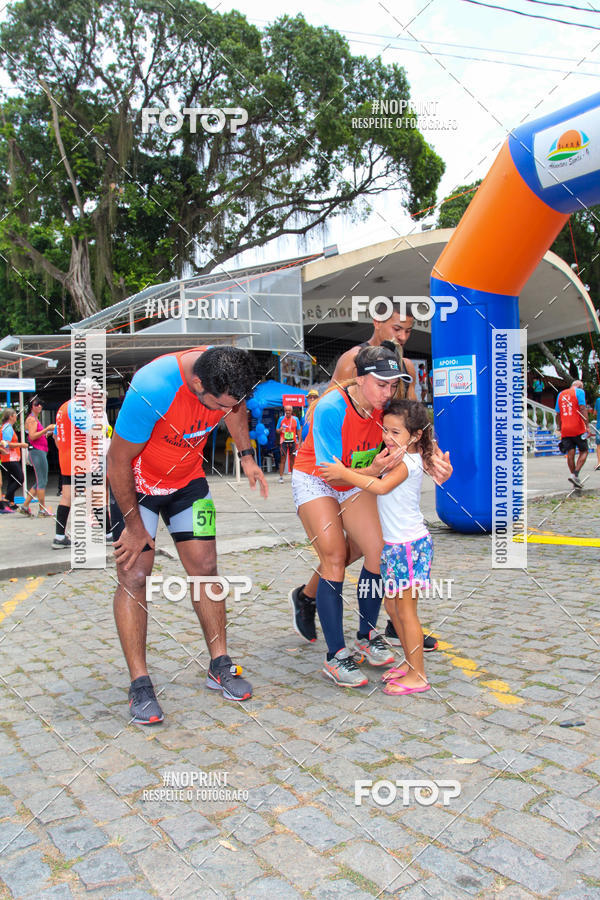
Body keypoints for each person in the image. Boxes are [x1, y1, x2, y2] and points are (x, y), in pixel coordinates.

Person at [107, 345, 267, 725]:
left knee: (206, 570)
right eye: (214, 404)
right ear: (197, 383)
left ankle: (219, 664)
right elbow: (117, 462)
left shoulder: (226, 376)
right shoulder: (154, 386)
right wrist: (133, 527)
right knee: (134, 576)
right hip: (138, 484)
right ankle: (140, 683)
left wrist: (245, 455)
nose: (217, 413)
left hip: (187, 483)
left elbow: (236, 407)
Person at [290, 345, 451, 687]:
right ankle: (336, 655)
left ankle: (366, 634)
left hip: (355, 475)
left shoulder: (385, 408)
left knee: (375, 551)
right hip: (318, 478)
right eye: (380, 384)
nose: (387, 392)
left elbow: (416, 438)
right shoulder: (332, 407)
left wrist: (437, 463)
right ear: (360, 379)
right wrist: (374, 468)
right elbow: (330, 472)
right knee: (334, 555)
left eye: (393, 385)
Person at [320, 398, 434, 695]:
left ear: (416, 435)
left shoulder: (409, 462)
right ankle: (410, 663)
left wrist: (345, 474)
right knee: (392, 606)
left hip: (409, 547)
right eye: (386, 429)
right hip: (396, 547)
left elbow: (381, 487)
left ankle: (418, 674)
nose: (387, 437)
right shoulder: (398, 456)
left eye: (396, 432)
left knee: (406, 612)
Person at [330, 299, 418, 399]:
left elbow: (414, 411)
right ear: (377, 322)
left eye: (408, 331)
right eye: (397, 329)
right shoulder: (353, 360)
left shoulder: (407, 366)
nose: (403, 337)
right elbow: (324, 408)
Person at [53, 379, 104, 548]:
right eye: (94, 396)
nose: (95, 400)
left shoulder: (63, 407)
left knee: (67, 497)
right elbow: (91, 430)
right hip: (82, 459)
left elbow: (56, 436)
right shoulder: (77, 408)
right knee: (97, 497)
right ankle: (110, 533)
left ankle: (59, 537)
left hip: (67, 459)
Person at [20, 397, 55, 517]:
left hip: (39, 451)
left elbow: (37, 436)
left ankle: (25, 506)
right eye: (37, 404)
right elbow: (33, 436)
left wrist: (47, 433)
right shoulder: (32, 420)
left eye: (41, 404)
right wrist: (47, 429)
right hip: (37, 452)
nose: (39, 406)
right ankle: (42, 510)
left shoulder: (34, 419)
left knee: (40, 481)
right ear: (32, 406)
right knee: (42, 481)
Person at [555, 379, 588, 489]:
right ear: (579, 386)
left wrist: (559, 427)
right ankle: (575, 474)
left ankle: (574, 478)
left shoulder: (560, 394)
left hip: (565, 429)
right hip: (577, 427)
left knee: (570, 452)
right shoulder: (579, 392)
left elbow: (558, 414)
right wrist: (587, 425)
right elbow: (582, 408)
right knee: (584, 451)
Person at [0, 409, 28, 509]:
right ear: (11, 416)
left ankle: (10, 502)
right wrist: (21, 445)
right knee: (20, 478)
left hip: (7, 458)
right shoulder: (7, 428)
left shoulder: (6, 427)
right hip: (10, 458)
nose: (16, 417)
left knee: (12, 480)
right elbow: (6, 444)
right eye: (15, 415)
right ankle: (7, 498)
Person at [276, 404, 300, 483]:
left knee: (292, 460)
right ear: (284, 411)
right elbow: (277, 430)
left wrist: (299, 442)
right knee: (283, 459)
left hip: (292, 442)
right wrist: (280, 429)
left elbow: (298, 430)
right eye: (286, 410)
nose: (288, 412)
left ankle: (293, 477)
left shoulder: (295, 419)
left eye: (289, 410)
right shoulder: (281, 419)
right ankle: (281, 477)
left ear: (292, 411)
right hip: (283, 441)